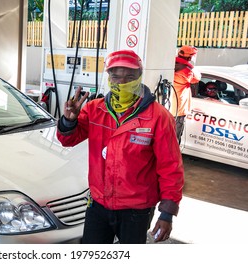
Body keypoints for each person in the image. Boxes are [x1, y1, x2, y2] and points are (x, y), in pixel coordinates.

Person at [56, 49, 184, 244]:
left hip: (137, 210)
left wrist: (167, 213)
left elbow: (171, 167)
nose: (121, 83)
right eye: (115, 76)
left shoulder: (158, 117)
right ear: (108, 77)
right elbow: (68, 140)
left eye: (129, 77)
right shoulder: (94, 109)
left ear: (140, 77)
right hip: (98, 204)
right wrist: (68, 120)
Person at [172, 45, 201, 144]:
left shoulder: (170, 64)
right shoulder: (187, 71)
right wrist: (190, 65)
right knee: (175, 138)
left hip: (168, 106)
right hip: (179, 109)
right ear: (190, 58)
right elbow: (197, 78)